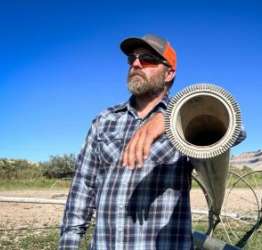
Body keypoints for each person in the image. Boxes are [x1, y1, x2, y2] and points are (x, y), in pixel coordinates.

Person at [59, 34, 245, 250]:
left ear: (169, 73)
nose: (136, 64)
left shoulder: (184, 119)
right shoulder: (105, 120)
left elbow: (236, 130)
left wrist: (170, 119)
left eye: (147, 59)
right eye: (132, 59)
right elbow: (83, 188)